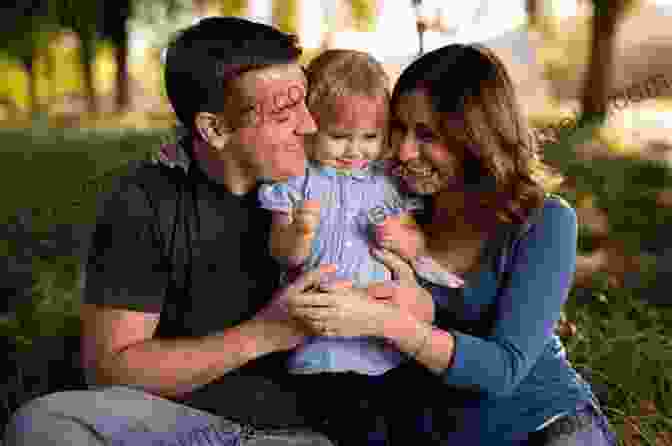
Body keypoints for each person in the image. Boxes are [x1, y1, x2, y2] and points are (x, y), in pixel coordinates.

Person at [2, 17, 434, 446]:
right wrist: (264, 334)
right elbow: (109, 368)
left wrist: (414, 299)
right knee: (42, 425)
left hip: (297, 431)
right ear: (214, 129)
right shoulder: (148, 200)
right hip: (173, 418)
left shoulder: (357, 179)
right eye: (287, 114)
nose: (310, 125)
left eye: (306, 103)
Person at [284, 43, 619, 445]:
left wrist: (383, 321)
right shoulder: (394, 203)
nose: (405, 151)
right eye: (399, 129)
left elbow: (502, 369)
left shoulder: (543, 221)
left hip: (544, 426)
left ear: (477, 138)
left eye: (428, 135)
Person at [259, 49, 461, 377]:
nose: (355, 150)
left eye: (370, 137)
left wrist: (403, 238)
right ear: (310, 125)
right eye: (338, 137)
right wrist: (301, 233)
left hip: (384, 332)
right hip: (317, 331)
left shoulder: (389, 181)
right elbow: (282, 255)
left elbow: (417, 248)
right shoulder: (296, 179)